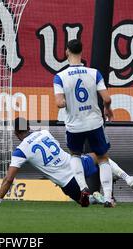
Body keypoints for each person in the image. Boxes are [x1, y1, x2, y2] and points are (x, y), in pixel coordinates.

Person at [0, 117, 133, 206]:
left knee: (85, 203)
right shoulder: (44, 133)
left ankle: (96, 198)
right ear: (28, 126)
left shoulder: (20, 150)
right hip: (76, 164)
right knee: (101, 156)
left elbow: (9, 179)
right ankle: (129, 178)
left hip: (67, 181)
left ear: (15, 132)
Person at [53, 39, 116, 207]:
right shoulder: (94, 73)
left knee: (75, 154)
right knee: (103, 158)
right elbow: (107, 98)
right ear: (82, 52)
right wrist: (108, 109)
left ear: (67, 52)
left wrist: (67, 101)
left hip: (75, 125)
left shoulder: (60, 77)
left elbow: (59, 103)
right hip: (95, 123)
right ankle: (109, 198)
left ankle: (83, 187)